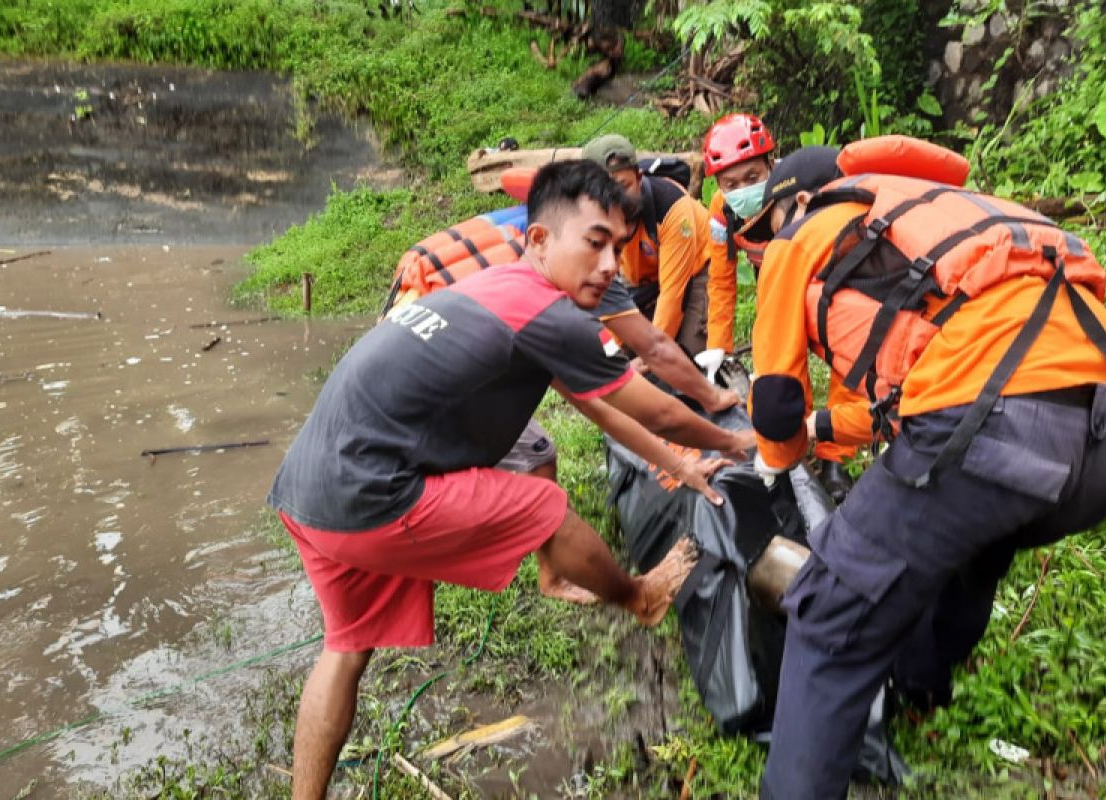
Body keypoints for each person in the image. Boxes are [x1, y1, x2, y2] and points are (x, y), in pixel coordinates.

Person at [268, 159, 749, 799]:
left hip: (307, 487)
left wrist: (680, 464)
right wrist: (730, 439)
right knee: (540, 503)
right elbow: (653, 405)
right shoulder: (547, 315)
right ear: (541, 239)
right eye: (595, 243)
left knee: (347, 649)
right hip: (371, 492)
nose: (611, 266)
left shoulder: (496, 290)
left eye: (620, 248)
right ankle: (639, 598)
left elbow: (597, 405)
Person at [744, 142, 1106, 799]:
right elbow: (914, 397)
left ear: (795, 200)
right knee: (969, 546)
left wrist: (778, 468)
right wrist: (825, 432)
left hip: (995, 422)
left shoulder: (802, 232)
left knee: (828, 617)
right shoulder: (950, 221)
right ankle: (921, 693)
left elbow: (776, 402)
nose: (764, 246)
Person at [701, 114, 858, 502]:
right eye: (730, 183)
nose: (743, 190)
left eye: (753, 177)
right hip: (773, 278)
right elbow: (721, 280)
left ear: (772, 165)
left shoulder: (797, 189)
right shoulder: (722, 213)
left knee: (846, 359)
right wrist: (718, 345)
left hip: (825, 276)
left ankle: (835, 457)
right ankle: (789, 442)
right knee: (783, 367)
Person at [581, 133, 713, 356]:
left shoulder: (671, 209)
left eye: (623, 186)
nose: (615, 198)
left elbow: (673, 296)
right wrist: (613, 350)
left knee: (684, 357)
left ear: (639, 178)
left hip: (694, 270)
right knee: (619, 353)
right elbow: (604, 294)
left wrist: (652, 356)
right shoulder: (588, 219)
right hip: (643, 280)